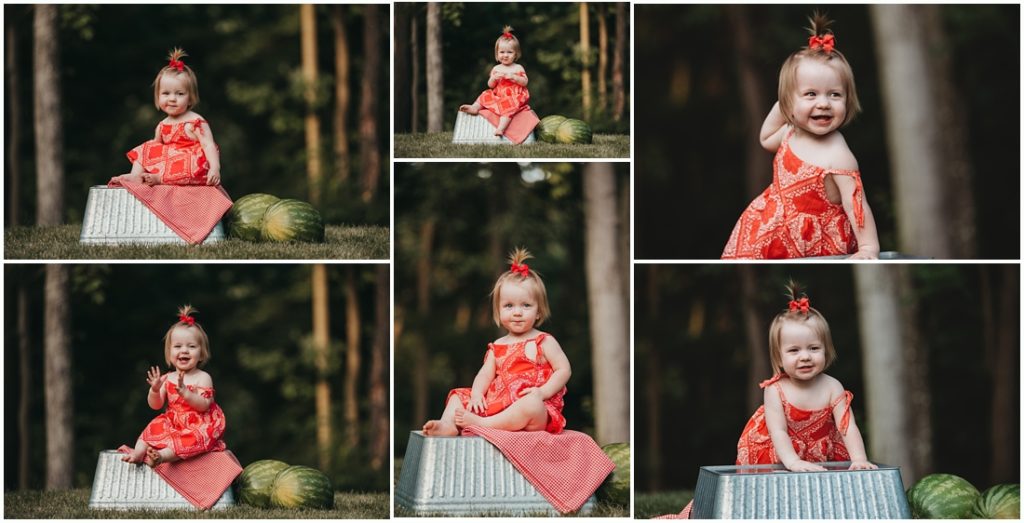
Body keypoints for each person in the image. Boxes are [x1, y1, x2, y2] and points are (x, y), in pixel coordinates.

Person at [662, 282, 875, 519]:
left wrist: (859, 459)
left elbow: (847, 427)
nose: (805, 356)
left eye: (814, 348)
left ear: (827, 350)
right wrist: (792, 461)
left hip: (818, 449)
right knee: (768, 498)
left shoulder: (833, 387)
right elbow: (779, 432)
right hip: (777, 450)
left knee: (818, 500)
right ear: (779, 357)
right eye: (794, 351)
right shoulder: (775, 390)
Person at [722, 13, 880, 259]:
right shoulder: (791, 132)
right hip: (767, 229)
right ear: (789, 103)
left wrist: (868, 248)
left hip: (812, 242)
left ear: (848, 101)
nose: (824, 104)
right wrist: (786, 102)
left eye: (835, 95)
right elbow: (765, 139)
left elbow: (856, 205)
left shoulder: (838, 155)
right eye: (810, 94)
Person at [422, 248, 571, 436]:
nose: (517, 312)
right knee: (458, 396)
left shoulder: (543, 341)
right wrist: (476, 395)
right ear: (499, 312)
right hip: (499, 404)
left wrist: (542, 392)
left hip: (532, 409)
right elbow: (484, 375)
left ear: (539, 311)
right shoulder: (498, 345)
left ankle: (484, 424)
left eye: (526, 305)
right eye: (509, 306)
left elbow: (564, 369)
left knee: (531, 405)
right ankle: (447, 425)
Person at [122, 305, 227, 467]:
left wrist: (185, 393)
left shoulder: (203, 377)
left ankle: (161, 456)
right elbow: (155, 405)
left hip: (197, 424)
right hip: (173, 421)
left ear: (202, 354)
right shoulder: (167, 378)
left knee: (189, 441)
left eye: (191, 347)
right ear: (169, 354)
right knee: (150, 430)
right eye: (178, 346)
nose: (184, 351)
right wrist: (155, 390)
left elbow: (204, 405)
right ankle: (138, 452)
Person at [113, 48, 222, 187]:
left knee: (189, 165)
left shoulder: (195, 122)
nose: (172, 99)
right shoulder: (162, 125)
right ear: (158, 97)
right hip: (170, 165)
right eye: (166, 93)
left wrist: (215, 168)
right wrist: (151, 151)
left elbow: (208, 145)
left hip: (192, 165)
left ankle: (159, 178)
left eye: (180, 94)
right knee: (148, 147)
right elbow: (154, 150)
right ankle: (136, 175)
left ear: (190, 99)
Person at [459, 26, 531, 137]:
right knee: (485, 94)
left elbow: (525, 82)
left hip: (514, 97)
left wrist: (515, 78)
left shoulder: (518, 68)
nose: (505, 55)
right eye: (502, 52)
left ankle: (501, 129)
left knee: (508, 108)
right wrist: (493, 79)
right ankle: (474, 107)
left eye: (509, 52)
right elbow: (491, 85)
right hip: (499, 95)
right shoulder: (496, 69)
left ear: (515, 54)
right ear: (497, 54)